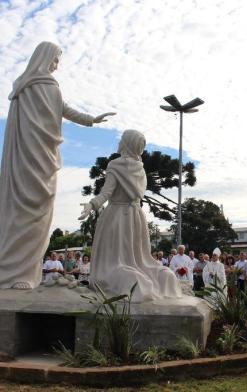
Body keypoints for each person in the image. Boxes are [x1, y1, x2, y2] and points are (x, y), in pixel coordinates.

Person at [0, 42, 115, 290]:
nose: (57, 65)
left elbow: (65, 111)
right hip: (25, 157)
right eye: (55, 59)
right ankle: (10, 271)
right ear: (44, 57)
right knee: (20, 213)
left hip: (44, 159)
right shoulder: (25, 87)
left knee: (39, 215)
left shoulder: (51, 88)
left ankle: (26, 273)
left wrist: (90, 119)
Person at [79, 130, 182, 301]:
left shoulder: (115, 165)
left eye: (122, 140)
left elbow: (106, 192)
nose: (119, 143)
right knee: (140, 260)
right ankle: (149, 280)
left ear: (126, 143)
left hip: (116, 217)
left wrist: (92, 204)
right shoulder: (140, 169)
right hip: (136, 217)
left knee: (116, 261)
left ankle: (122, 280)